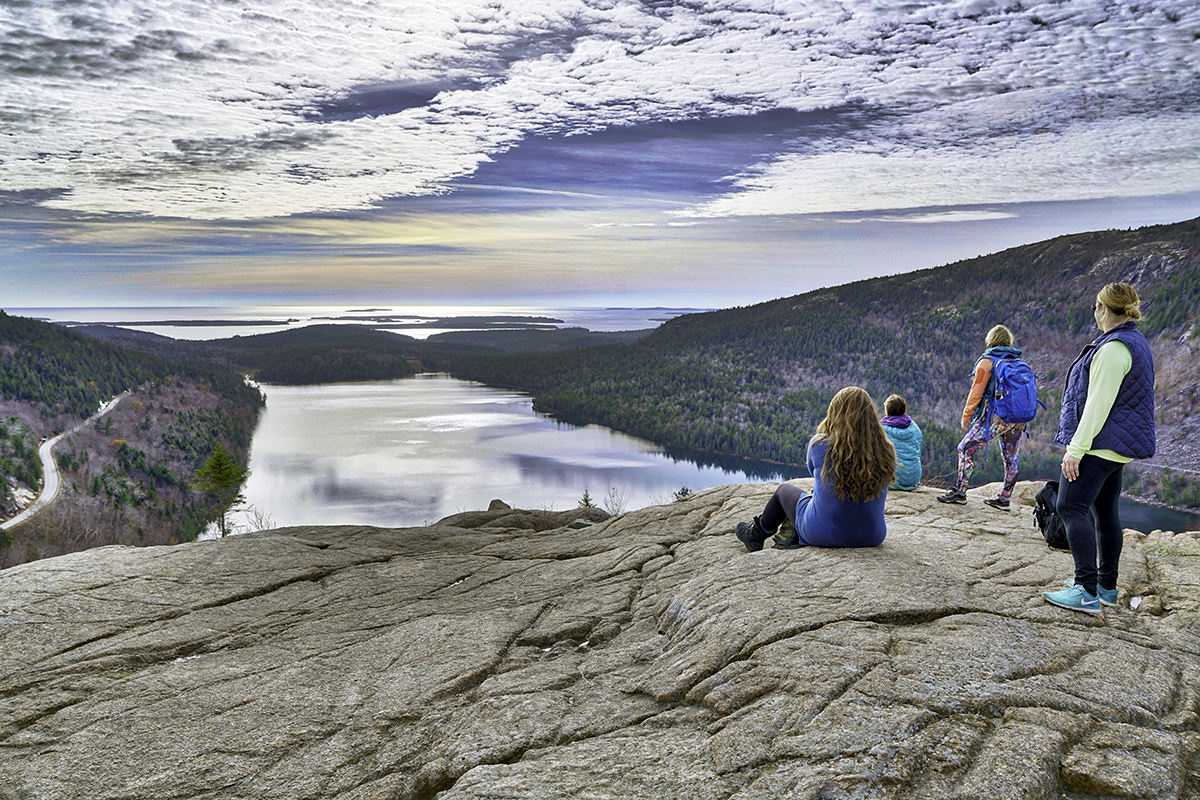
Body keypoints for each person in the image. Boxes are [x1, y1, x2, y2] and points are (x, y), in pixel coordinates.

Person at [1042, 283, 1155, 614]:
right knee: (1105, 513)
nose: (1094, 312)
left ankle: (1085, 591)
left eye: (1096, 306)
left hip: (1099, 444)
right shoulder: (1135, 343)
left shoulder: (1113, 349)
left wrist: (1076, 449)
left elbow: (1097, 404)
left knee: (1070, 507)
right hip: (1117, 446)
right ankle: (1106, 588)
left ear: (1105, 309)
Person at [735, 386, 896, 550]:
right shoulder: (886, 450)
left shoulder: (820, 445)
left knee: (783, 491)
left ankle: (755, 536)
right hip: (871, 536)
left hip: (822, 534)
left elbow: (813, 471)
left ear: (835, 413)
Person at [936, 324, 1026, 509]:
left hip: (997, 416)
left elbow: (976, 392)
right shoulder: (1017, 361)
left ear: (990, 340)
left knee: (965, 448)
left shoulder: (987, 362)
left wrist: (966, 416)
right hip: (1018, 416)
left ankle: (960, 491)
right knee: (1011, 456)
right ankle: (1005, 498)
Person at [881, 394, 922, 491]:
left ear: (887, 410)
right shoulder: (914, 427)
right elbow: (918, 452)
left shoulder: (881, 429)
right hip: (913, 478)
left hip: (893, 479)